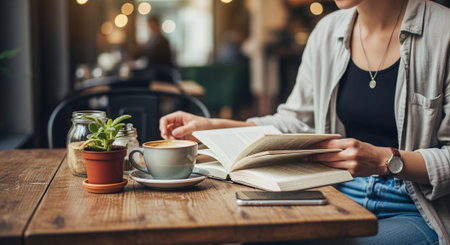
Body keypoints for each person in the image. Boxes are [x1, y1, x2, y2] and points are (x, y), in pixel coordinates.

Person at [159, 0, 450, 243]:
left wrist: (384, 160)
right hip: (336, 196)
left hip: (414, 208)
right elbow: (295, 122)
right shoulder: (327, 31)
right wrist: (214, 127)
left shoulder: (443, 32)